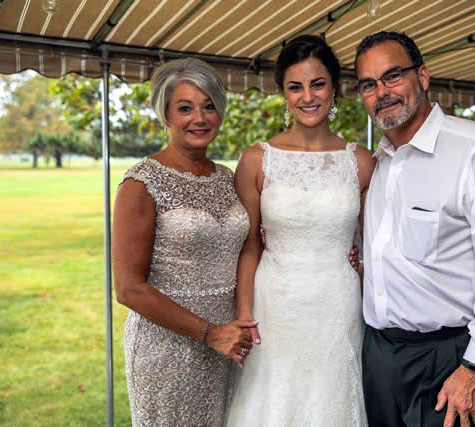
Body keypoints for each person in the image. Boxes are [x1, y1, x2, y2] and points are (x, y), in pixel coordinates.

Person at [354, 31, 475, 427]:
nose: (381, 92)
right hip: (380, 357)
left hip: (450, 362)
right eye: (368, 84)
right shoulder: (380, 162)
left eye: (392, 76)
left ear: (422, 76)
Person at [225, 35, 375, 426]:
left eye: (317, 84)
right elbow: (248, 247)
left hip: (338, 303)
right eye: (295, 86)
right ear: (284, 93)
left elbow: (378, 243)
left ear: (335, 88)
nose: (307, 96)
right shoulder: (257, 160)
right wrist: (244, 312)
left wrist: (362, 267)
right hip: (276, 304)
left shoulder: (361, 162)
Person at [112, 58, 257, 427]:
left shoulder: (227, 178)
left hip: (228, 344)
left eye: (209, 106)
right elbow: (128, 289)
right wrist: (210, 334)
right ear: (165, 114)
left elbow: (248, 244)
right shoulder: (142, 183)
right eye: (185, 108)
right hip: (167, 348)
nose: (200, 118)